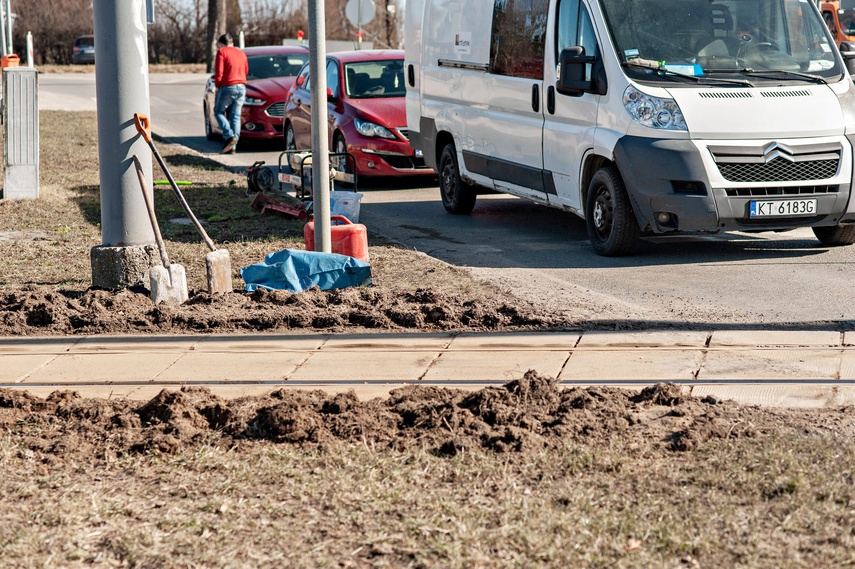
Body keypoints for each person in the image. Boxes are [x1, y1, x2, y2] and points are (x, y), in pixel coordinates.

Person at [213, 33, 248, 154]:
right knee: (236, 116)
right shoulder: (241, 53)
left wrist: (217, 86)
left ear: (221, 44)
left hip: (228, 86)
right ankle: (233, 146)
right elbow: (246, 70)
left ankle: (229, 135)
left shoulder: (222, 52)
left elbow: (219, 73)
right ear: (232, 43)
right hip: (242, 87)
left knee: (218, 112)